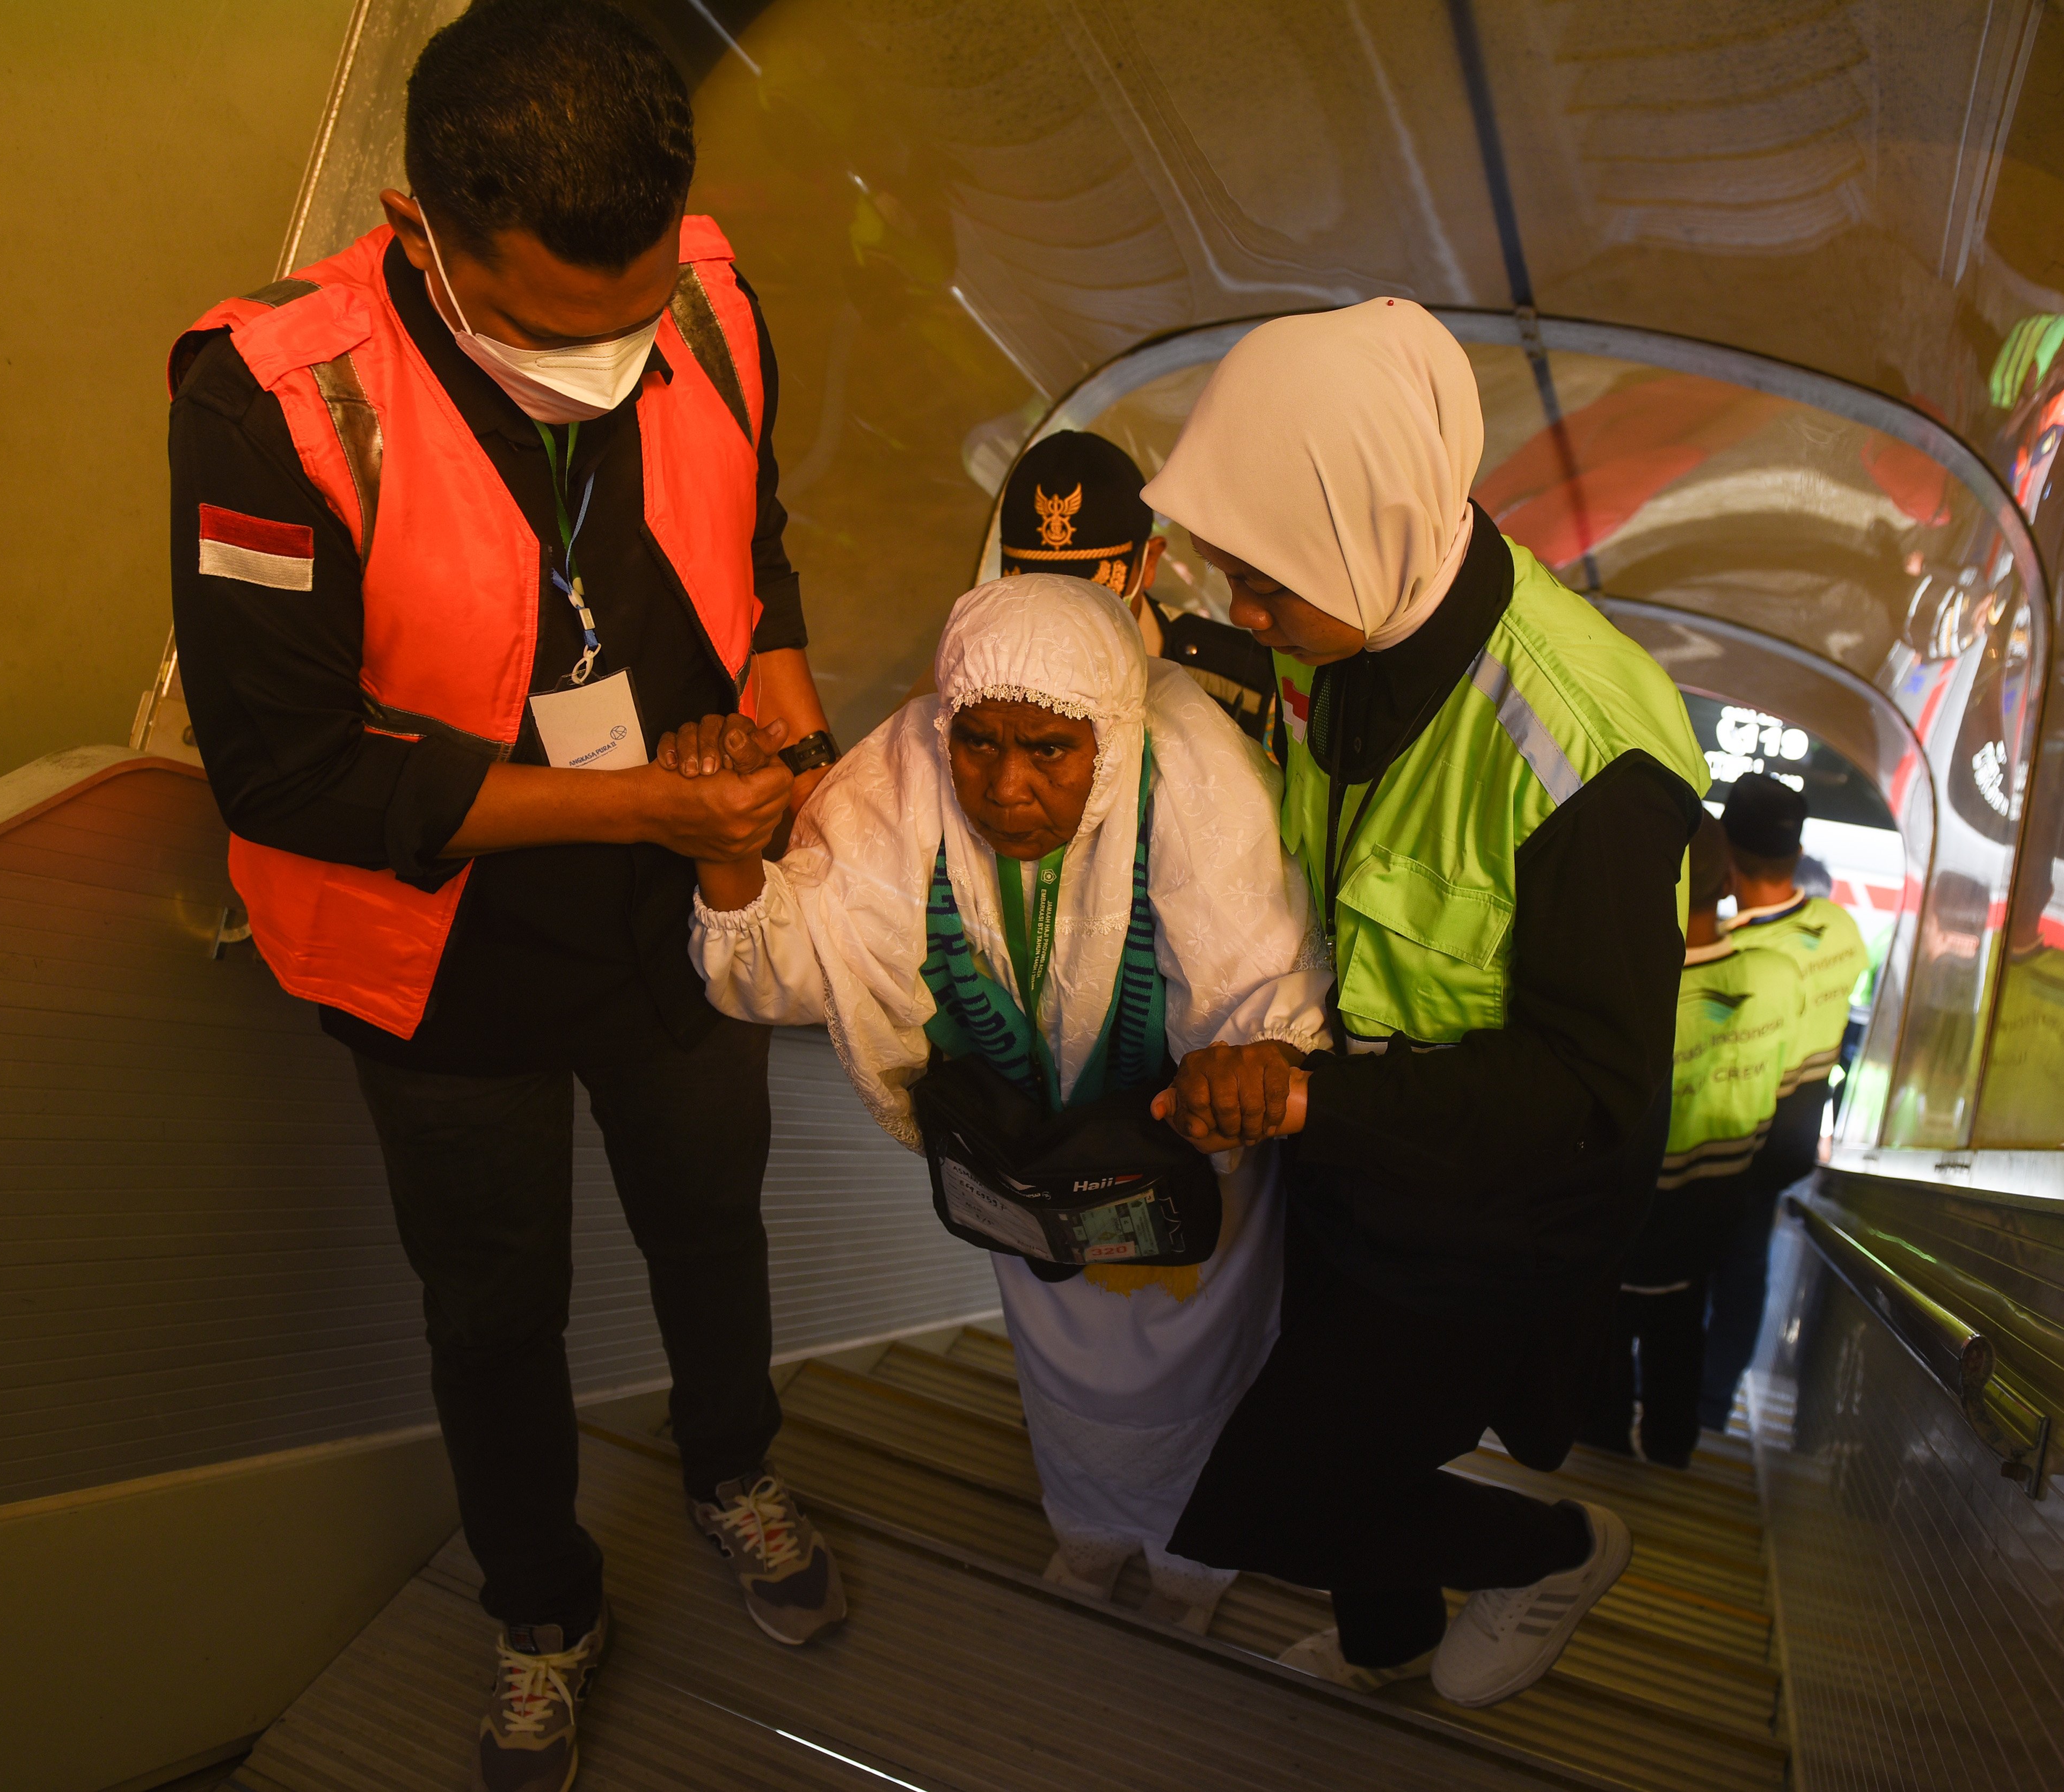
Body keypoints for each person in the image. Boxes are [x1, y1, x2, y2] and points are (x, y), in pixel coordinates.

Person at [165, 8, 840, 1788]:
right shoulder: (273, 400)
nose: (614, 354)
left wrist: (781, 700)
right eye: (556, 321)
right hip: (441, 945)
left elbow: (752, 534)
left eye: (633, 316)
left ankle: (732, 1464)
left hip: (675, 912)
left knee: (715, 1219)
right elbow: (285, 768)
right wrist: (636, 797)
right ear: (421, 223)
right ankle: (542, 1604)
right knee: (492, 1302)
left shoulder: (703, 292)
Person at [1139, 298, 1711, 1707]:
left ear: (1371, 527)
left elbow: (1589, 1091)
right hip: (1354, 1158)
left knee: (1263, 1500)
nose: (1246, 615)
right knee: (1348, 1460)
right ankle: (1385, 1639)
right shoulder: (1359, 635)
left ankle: (1559, 1545)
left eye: (1267, 586)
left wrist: (1304, 1095)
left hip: (1493, 1210)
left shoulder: (1589, 750)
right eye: (1232, 575)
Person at [670, 572, 1330, 1634]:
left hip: (1192, 1189)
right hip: (1022, 1168)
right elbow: (781, 966)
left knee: (1204, 1379)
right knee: (1067, 1381)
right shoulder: (904, 771)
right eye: (980, 744)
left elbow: (1268, 991)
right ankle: (1089, 1529)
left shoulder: (1199, 778)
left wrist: (1254, 1063)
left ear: (1110, 738)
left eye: (1050, 752)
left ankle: (1195, 1561)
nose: (1006, 788)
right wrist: (723, 850)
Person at [1584, 816, 1800, 1469]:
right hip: (1713, 1208)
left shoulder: (1633, 992)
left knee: (1608, 1330)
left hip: (1628, 1210)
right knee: (1682, 1328)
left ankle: (1603, 1445)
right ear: (1728, 881)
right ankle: (1671, 1444)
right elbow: (1775, 1094)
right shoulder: (1777, 979)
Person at [1693, 774, 1870, 1433]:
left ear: (1726, 856)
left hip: (1726, 1137)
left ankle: (1676, 1404)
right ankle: (1711, 1407)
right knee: (1745, 1270)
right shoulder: (1841, 929)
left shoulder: (1737, 957)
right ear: (1795, 856)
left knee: (1686, 1277)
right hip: (1790, 1142)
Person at [998, 429, 1283, 754]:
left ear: (1150, 562)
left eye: (1091, 591)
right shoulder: (971, 676)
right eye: (1037, 589)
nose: (1063, 612)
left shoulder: (1244, 676)